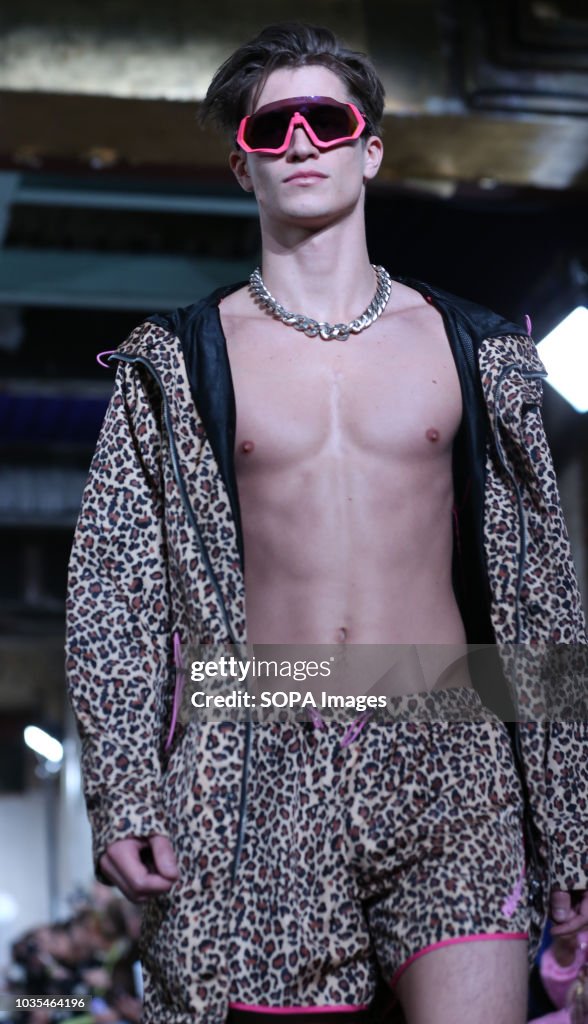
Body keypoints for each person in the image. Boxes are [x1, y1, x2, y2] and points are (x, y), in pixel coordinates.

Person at [65, 22, 588, 1024]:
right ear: (243, 164)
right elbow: (113, 590)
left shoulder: (475, 350)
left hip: (451, 735)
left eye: (326, 119)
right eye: (273, 126)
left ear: (369, 147)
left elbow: (538, 593)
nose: (300, 139)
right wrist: (124, 792)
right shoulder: (176, 364)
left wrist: (570, 819)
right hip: (260, 744)